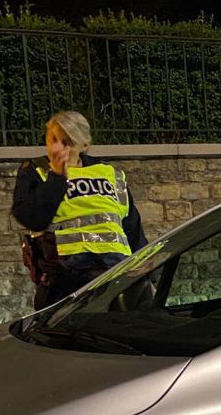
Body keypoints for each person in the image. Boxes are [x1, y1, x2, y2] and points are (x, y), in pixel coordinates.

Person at [12, 111, 147, 308]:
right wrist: (57, 177)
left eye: (67, 142)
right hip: (64, 279)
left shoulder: (108, 173)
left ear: (84, 145)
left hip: (114, 273)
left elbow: (130, 226)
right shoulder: (36, 171)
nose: (58, 148)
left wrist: (143, 262)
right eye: (53, 139)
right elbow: (32, 218)